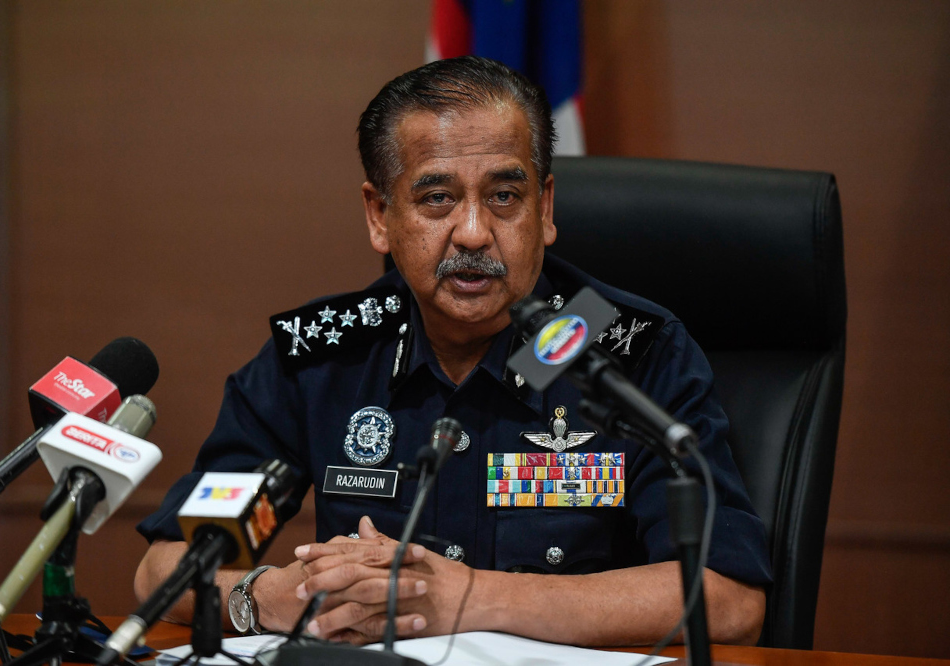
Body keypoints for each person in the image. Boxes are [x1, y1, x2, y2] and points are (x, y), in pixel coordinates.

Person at [135, 56, 772, 647]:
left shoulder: (626, 355)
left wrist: (469, 597)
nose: (472, 232)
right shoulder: (324, 361)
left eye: (504, 196)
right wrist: (274, 597)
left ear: (544, 209)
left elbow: (727, 596)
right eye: (437, 198)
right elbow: (166, 567)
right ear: (379, 216)